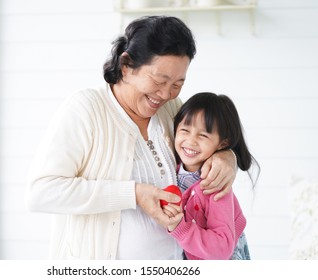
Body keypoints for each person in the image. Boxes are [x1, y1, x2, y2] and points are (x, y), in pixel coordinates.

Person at [25, 16, 237, 260]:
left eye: (178, 84)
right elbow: (41, 193)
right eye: (159, 81)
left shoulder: (171, 109)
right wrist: (133, 194)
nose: (166, 94)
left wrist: (226, 156)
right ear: (126, 65)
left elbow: (204, 140)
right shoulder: (86, 109)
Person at [162, 92, 260, 260]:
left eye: (203, 135)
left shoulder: (214, 186)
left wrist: (180, 227)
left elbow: (222, 248)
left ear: (223, 143)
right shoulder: (170, 166)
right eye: (185, 130)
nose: (191, 141)